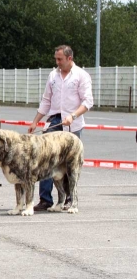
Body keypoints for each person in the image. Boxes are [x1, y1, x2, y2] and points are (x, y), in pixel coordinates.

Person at [28, 45, 93, 211]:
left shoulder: (81, 76)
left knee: (69, 165)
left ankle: (69, 199)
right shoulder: (53, 75)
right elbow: (46, 101)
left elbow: (87, 102)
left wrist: (73, 115)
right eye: (56, 59)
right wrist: (35, 121)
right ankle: (45, 199)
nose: (57, 62)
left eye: (60, 59)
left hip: (72, 124)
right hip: (54, 121)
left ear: (69, 58)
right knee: (44, 160)